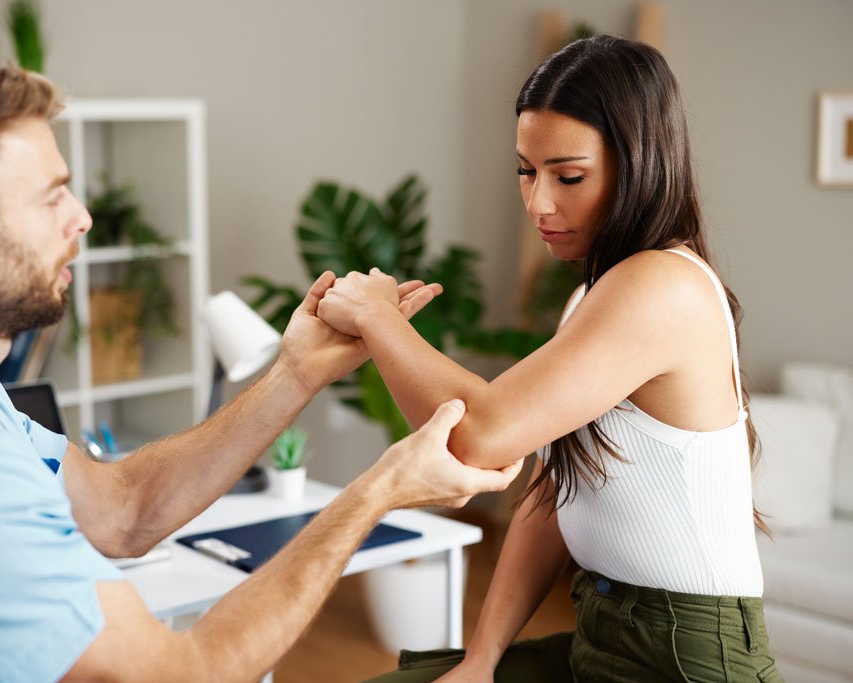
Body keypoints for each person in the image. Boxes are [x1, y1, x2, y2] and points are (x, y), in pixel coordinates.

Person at [0, 58, 523, 683]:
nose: (82, 217)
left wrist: (295, 373)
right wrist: (378, 489)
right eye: (51, 197)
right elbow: (183, 674)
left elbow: (121, 510)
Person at [316, 35, 783, 682]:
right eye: (525, 171)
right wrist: (481, 658)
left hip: (688, 660)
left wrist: (376, 317)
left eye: (568, 177)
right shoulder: (594, 296)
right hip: (604, 635)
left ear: (639, 165)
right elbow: (555, 487)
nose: (538, 202)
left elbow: (477, 438)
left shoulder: (662, 284)